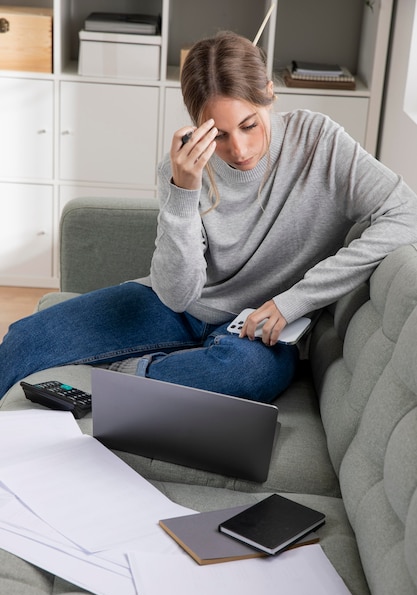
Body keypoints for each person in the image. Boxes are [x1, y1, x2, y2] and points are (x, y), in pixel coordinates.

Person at [1, 31, 417, 403]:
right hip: (179, 307)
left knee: (245, 373)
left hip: (261, 326)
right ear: (197, 122)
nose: (238, 149)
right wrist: (183, 192)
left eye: (249, 125)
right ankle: (157, 379)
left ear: (269, 94)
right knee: (24, 339)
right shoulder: (180, 168)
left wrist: (297, 300)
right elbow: (178, 296)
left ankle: (131, 378)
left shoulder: (320, 143)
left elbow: (406, 212)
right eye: (218, 133)